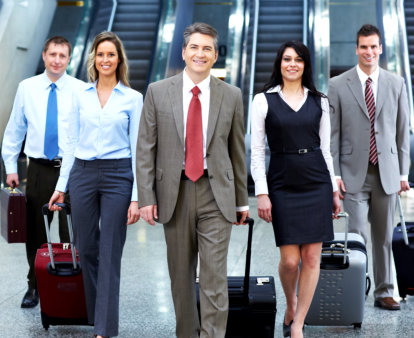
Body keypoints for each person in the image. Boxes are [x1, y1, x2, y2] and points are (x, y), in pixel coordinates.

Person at [137, 22, 249, 338]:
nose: (200, 53)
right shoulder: (158, 92)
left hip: (218, 195)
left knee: (214, 277)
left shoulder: (232, 95)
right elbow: (146, 148)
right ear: (184, 52)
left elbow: (237, 150)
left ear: (215, 55)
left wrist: (242, 200)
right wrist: (146, 197)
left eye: (207, 48)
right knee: (181, 278)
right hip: (174, 193)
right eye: (195, 47)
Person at [48, 31, 142, 338]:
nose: (105, 60)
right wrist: (62, 186)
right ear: (94, 59)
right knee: (86, 249)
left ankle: (103, 328)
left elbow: (138, 148)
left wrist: (137, 196)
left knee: (110, 251)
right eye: (100, 54)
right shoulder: (80, 96)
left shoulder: (132, 98)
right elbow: (71, 143)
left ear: (119, 60)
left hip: (118, 176)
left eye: (111, 55)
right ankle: (95, 314)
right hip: (83, 175)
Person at [251, 41, 341, 338]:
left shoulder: (320, 100)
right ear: (279, 63)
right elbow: (256, 152)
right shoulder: (263, 100)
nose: (292, 64)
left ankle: (299, 322)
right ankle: (291, 302)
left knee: (312, 258)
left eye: (298, 60)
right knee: (290, 260)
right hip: (282, 181)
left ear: (306, 65)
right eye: (287, 59)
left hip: (316, 180)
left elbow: (326, 150)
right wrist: (261, 192)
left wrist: (333, 189)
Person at [329, 24, 410, 311]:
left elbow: (402, 131)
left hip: (386, 172)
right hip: (352, 173)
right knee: (358, 236)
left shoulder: (396, 82)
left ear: (380, 49)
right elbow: (333, 134)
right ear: (356, 48)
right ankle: (356, 290)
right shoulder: (339, 84)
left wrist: (403, 173)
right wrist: (335, 175)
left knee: (385, 237)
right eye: (364, 46)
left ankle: (385, 291)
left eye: (373, 46)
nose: (369, 52)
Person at [1, 36, 83, 308]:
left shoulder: (82, 90)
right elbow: (15, 129)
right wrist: (11, 167)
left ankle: (72, 284)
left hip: (71, 170)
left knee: (71, 233)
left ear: (69, 59)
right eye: (52, 54)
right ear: (44, 56)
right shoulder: (28, 87)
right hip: (37, 169)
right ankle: (34, 286)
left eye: (63, 55)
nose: (57, 60)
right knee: (35, 233)